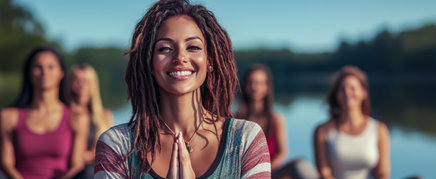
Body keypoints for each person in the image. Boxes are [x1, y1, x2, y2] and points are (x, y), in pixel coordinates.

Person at [94, 0, 271, 178]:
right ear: (149, 62)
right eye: (165, 48)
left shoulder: (245, 140)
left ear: (209, 61)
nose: (180, 57)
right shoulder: (116, 145)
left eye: (193, 47)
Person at [0, 46, 89, 179]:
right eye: (38, 67)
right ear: (30, 73)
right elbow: (6, 164)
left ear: (61, 73)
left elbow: (77, 165)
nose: (44, 72)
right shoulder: (8, 117)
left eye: (51, 67)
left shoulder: (77, 117)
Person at [237, 64, 319, 179]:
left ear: (267, 87)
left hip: (271, 172)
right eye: (251, 82)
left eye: (260, 83)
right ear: (244, 85)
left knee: (300, 165)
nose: (255, 87)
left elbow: (282, 153)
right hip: (245, 175)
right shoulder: (236, 119)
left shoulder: (277, 119)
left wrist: (264, 171)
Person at [313, 66, 390, 179]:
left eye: (352, 88)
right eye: (342, 89)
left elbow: (382, 173)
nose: (347, 92)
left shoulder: (379, 129)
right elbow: (324, 173)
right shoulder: (322, 131)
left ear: (364, 92)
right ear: (336, 95)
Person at [69, 64, 114, 179]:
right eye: (76, 79)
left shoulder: (104, 115)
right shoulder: (65, 113)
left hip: (94, 168)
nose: (81, 84)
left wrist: (87, 156)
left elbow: (109, 150)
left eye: (85, 80)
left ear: (92, 84)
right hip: (69, 167)